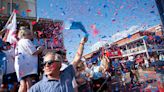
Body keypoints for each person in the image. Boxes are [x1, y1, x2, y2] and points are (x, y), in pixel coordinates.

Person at [15, 28, 45, 92]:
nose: (31, 35)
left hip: (21, 65)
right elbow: (33, 52)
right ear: (24, 35)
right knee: (29, 83)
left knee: (23, 84)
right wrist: (41, 49)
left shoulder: (19, 42)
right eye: (29, 34)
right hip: (28, 66)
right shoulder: (26, 41)